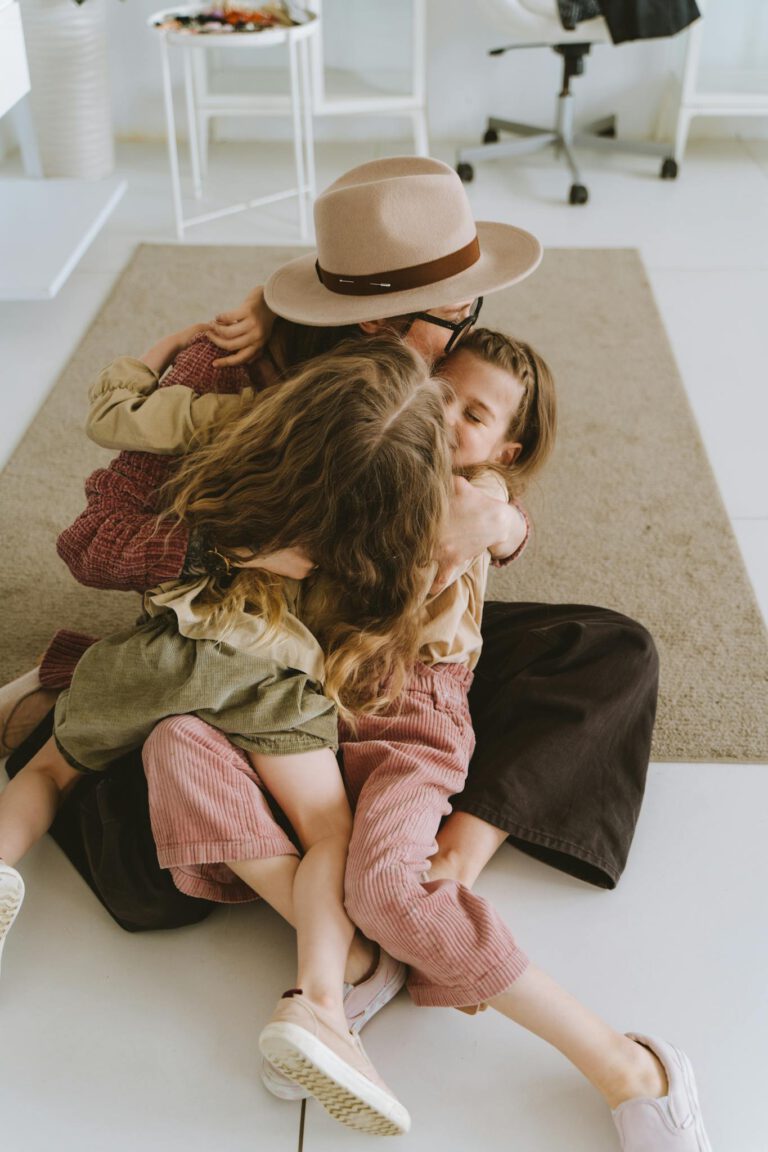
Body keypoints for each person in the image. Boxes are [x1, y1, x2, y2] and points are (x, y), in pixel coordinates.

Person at [0, 156, 657, 934]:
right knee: (146, 876)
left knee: (615, 650)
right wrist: (227, 548)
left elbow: (490, 457)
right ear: (377, 321)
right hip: (258, 656)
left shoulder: (437, 362)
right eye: (453, 318)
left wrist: (503, 525)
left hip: (388, 645)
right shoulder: (229, 373)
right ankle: (85, 731)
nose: (468, 335)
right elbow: (89, 542)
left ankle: (448, 862)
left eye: (471, 306)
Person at [0, 331, 460, 1136]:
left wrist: (158, 352)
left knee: (45, 771)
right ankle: (320, 999)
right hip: (270, 676)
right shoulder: (373, 531)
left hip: (161, 652)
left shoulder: (226, 439)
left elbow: (114, 415)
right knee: (328, 834)